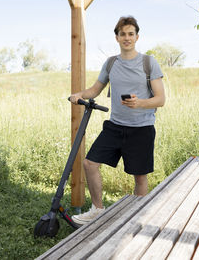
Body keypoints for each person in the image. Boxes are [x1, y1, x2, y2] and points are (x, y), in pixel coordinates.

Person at [69, 16, 165, 225]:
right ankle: (98, 210)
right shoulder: (111, 63)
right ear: (117, 37)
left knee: (139, 177)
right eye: (123, 34)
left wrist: (140, 103)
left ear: (137, 37)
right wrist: (79, 94)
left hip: (141, 129)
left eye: (131, 34)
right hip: (115, 126)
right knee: (89, 162)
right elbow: (95, 89)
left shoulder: (149, 62)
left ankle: (138, 219)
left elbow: (161, 99)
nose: (127, 38)